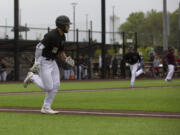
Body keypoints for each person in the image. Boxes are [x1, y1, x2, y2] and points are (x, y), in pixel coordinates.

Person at [23, 15, 74, 114]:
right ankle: (32, 76)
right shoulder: (51, 35)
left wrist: (67, 59)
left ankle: (46, 107)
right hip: (43, 61)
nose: (69, 27)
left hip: (52, 61)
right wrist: (37, 62)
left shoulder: (63, 36)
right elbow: (39, 47)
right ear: (61, 25)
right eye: (67, 25)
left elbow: (60, 52)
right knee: (48, 87)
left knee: (56, 85)